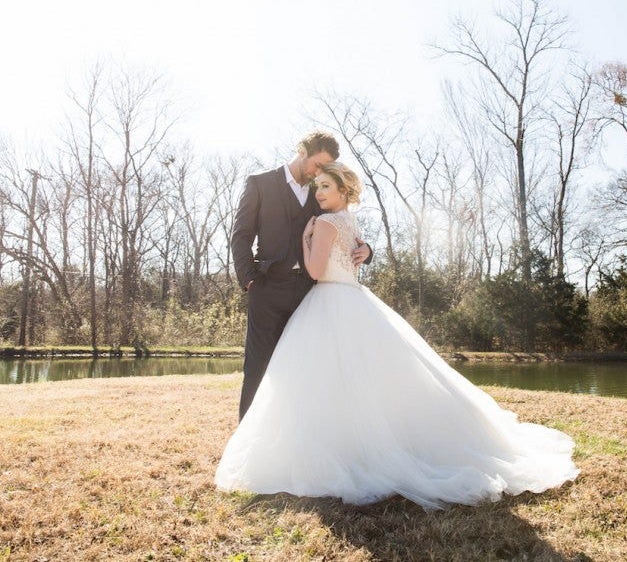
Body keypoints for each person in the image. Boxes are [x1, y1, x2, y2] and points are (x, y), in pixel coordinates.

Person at [216, 162, 578, 510]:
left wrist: (308, 237)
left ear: (343, 190)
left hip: (328, 300)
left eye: (326, 185)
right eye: (318, 185)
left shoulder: (324, 222)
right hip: (351, 299)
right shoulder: (345, 217)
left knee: (328, 379)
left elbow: (314, 268)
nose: (318, 190)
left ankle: (341, 449)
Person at [231, 132, 371, 419]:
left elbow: (342, 228)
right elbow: (241, 235)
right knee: (258, 367)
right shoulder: (260, 184)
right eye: (318, 165)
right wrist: (249, 279)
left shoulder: (320, 191)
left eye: (325, 170)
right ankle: (247, 443)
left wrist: (368, 249)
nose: (320, 174)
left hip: (310, 293)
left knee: (303, 371)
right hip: (267, 288)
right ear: (303, 151)